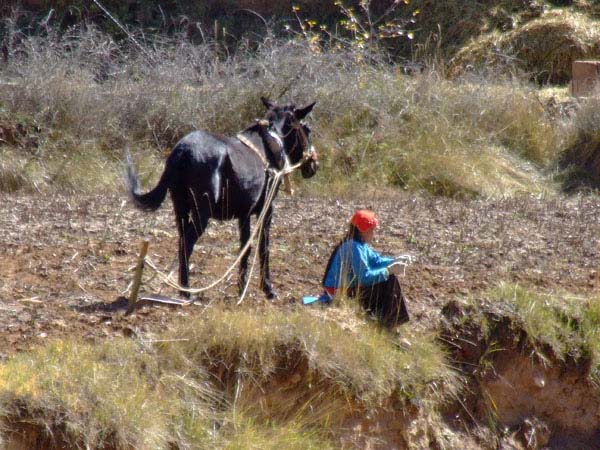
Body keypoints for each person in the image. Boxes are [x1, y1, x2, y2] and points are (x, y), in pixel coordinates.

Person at [319, 209, 409, 327]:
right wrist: (388, 271)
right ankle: (390, 326)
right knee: (389, 280)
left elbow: (376, 260)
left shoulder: (359, 245)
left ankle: (389, 323)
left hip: (347, 290)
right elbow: (364, 277)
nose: (373, 233)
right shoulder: (354, 247)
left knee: (387, 277)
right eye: (372, 230)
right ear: (363, 231)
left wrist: (395, 261)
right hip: (340, 294)